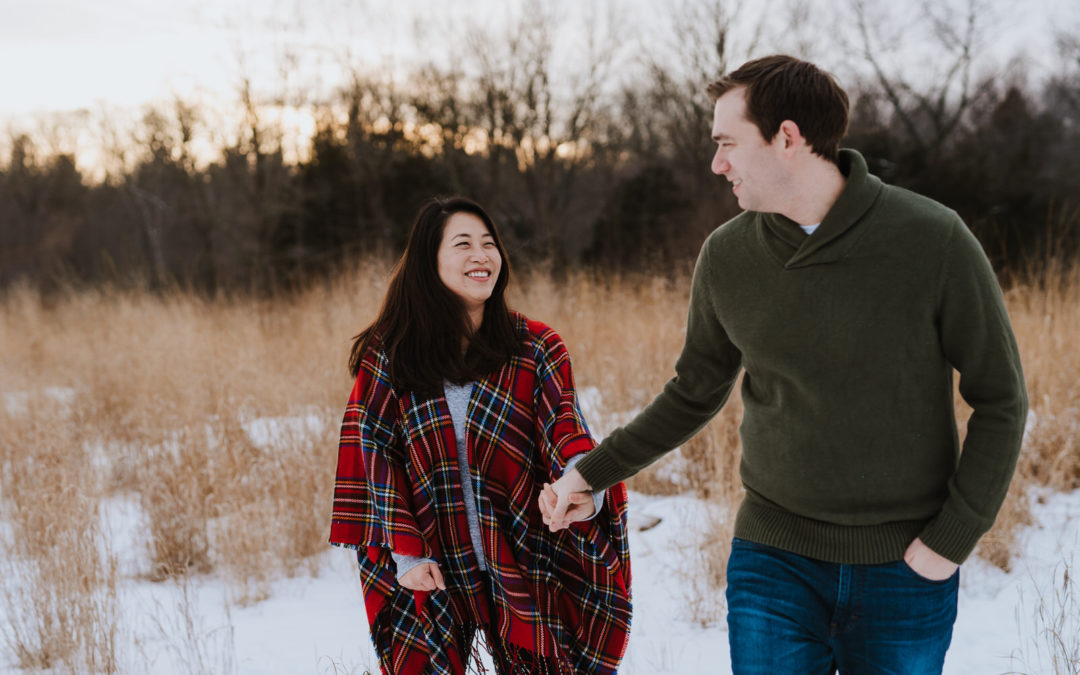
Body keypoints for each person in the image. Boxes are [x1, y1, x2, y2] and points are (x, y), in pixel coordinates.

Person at [541, 55, 1028, 674]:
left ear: (788, 139)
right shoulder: (727, 256)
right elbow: (693, 393)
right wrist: (590, 474)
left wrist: (951, 540)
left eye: (727, 144)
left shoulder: (932, 240)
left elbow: (1001, 398)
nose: (717, 164)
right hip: (773, 559)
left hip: (904, 566)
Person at [329, 196, 631, 675]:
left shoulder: (535, 346)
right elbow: (374, 456)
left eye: (489, 244)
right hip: (433, 556)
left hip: (527, 552)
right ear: (430, 260)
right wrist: (405, 552)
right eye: (463, 244)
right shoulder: (391, 355)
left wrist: (580, 487)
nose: (482, 256)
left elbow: (565, 428)